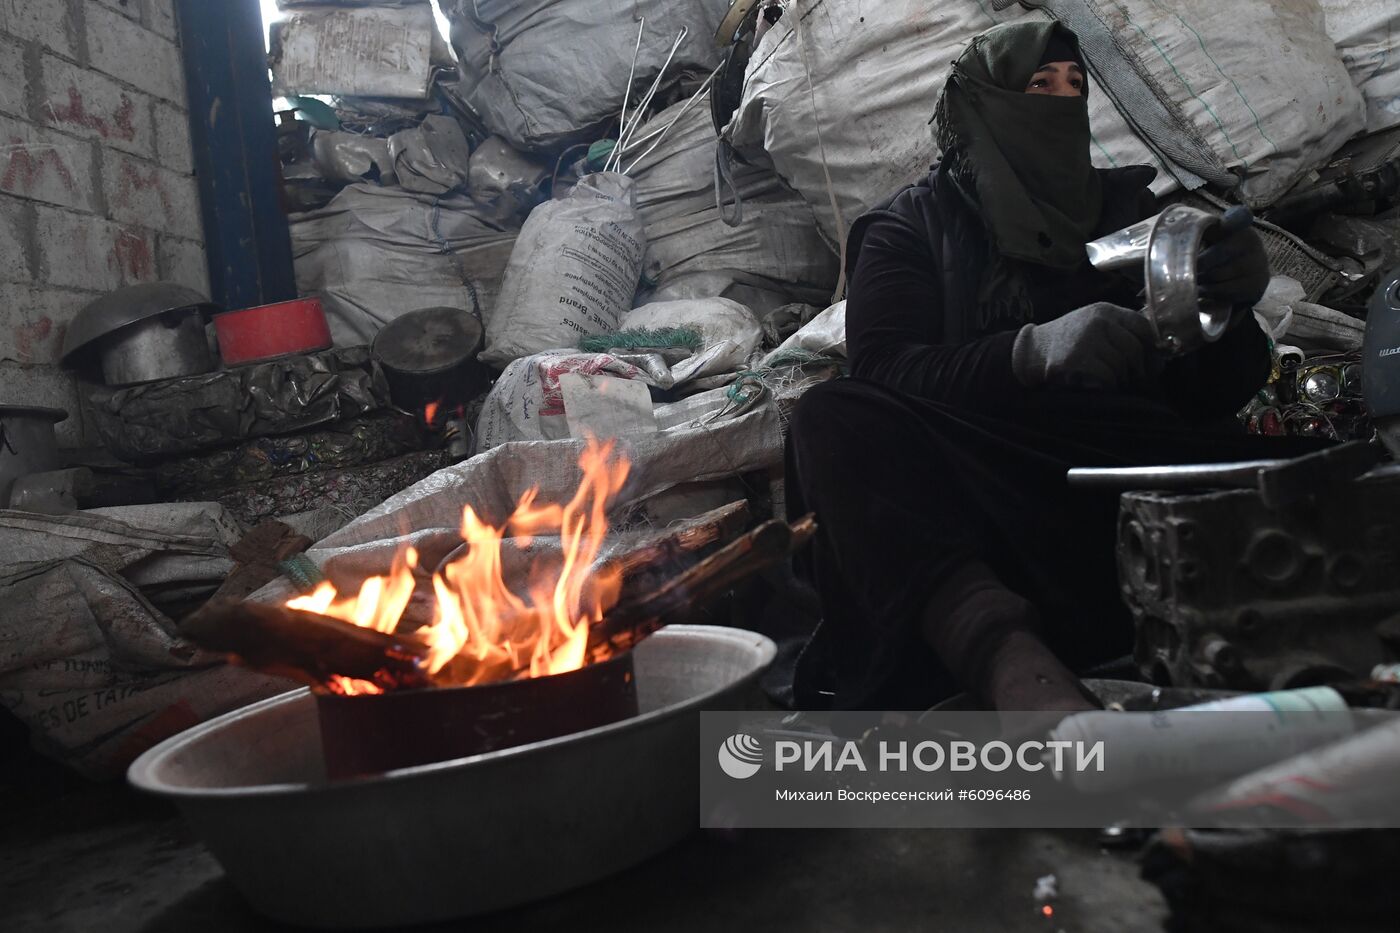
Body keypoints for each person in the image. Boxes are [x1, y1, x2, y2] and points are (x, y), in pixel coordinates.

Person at [785, 20, 1323, 714]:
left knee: (1341, 473)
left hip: (1134, 479)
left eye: (1074, 87)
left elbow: (1212, 394)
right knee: (832, 421)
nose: (1061, 104)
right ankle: (1012, 664)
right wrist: (1029, 353)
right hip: (992, 488)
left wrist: (1226, 308)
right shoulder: (909, 230)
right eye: (1039, 87)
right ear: (983, 104)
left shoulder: (1131, 212)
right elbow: (886, 373)